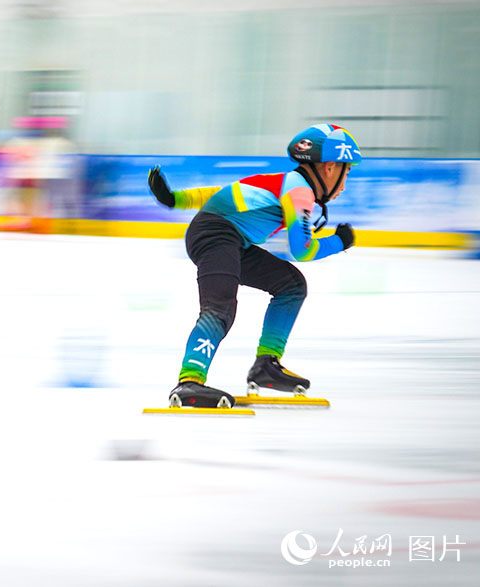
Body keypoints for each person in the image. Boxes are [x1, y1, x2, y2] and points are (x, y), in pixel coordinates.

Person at [147, 124, 361, 408]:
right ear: (330, 167)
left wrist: (175, 199)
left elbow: (221, 194)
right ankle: (190, 381)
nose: (344, 185)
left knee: (291, 285)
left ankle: (266, 365)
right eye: (347, 172)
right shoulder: (299, 191)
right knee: (220, 309)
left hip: (231, 239)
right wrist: (340, 241)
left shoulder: (282, 183)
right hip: (216, 235)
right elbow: (303, 250)